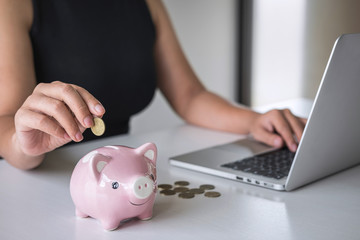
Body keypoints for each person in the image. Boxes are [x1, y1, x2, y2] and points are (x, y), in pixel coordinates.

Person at [0, 0, 306, 170]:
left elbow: (190, 96)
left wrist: (256, 121)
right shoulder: (15, 5)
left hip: (122, 174)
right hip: (43, 180)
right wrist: (22, 144)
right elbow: (8, 121)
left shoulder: (147, 4)